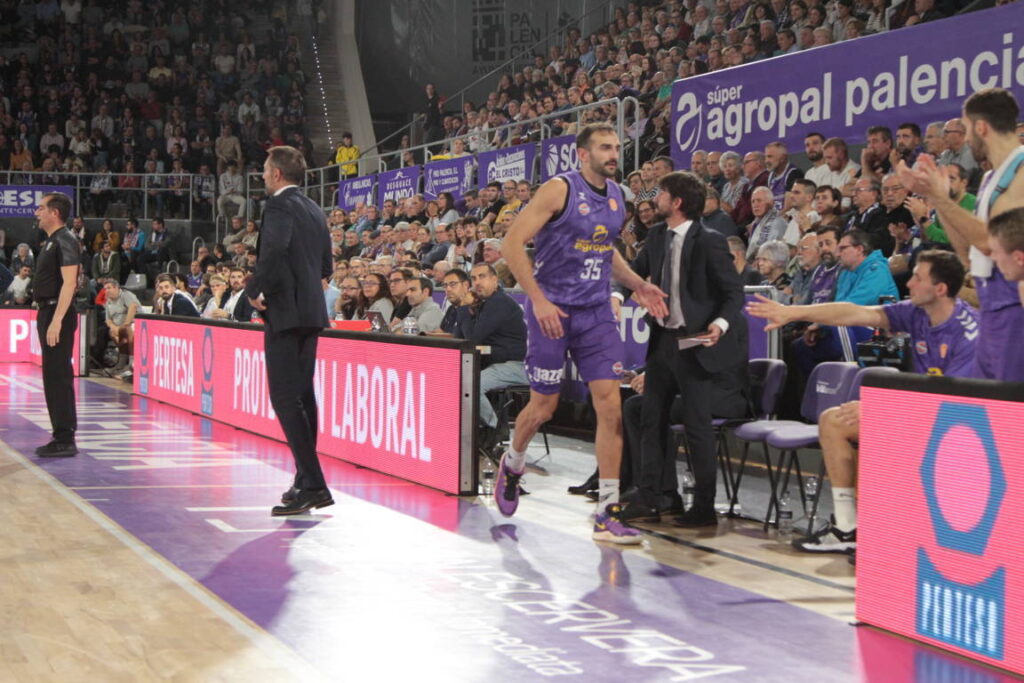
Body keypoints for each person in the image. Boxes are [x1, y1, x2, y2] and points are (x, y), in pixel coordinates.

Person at [500, 123, 668, 544]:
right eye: (604, 148)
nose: (613, 154)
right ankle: (513, 461)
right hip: (553, 311)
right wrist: (537, 300)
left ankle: (608, 510)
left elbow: (604, 248)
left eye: (616, 147)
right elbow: (512, 243)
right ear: (582, 154)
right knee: (543, 408)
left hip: (595, 313)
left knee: (610, 406)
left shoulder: (617, 196)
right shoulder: (559, 190)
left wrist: (637, 284)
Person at [747, 251, 979, 554]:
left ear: (940, 290)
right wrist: (795, 313)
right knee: (833, 421)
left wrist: (884, 408)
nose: (908, 283)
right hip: (923, 412)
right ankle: (847, 528)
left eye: (917, 278)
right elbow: (855, 313)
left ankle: (892, 535)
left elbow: (955, 402)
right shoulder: (918, 312)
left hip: (963, 427)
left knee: (881, 436)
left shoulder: (968, 332)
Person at [616, 172, 745, 527]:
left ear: (677, 203)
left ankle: (703, 506)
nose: (655, 199)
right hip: (663, 343)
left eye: (662, 194)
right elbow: (634, 274)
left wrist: (719, 325)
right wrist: (616, 295)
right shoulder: (657, 236)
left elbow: (734, 293)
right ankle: (650, 497)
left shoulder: (710, 241)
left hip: (698, 344)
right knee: (651, 418)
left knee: (698, 427)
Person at [898, 88, 1024, 381]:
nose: (966, 139)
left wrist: (938, 197)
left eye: (966, 130)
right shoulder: (992, 177)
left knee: (1010, 410)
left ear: (981, 127)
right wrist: (940, 198)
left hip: (1013, 305)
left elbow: (990, 242)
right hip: (990, 306)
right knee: (983, 405)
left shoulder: (1020, 170)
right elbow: (969, 253)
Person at [245, 146, 334, 516]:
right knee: (302, 396)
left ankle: (313, 483)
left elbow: (276, 248)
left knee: (284, 398)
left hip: (285, 311)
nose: (263, 176)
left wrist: (254, 288)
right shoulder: (314, 208)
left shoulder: (279, 205)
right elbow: (327, 263)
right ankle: (304, 478)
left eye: (266, 170)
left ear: (278, 174)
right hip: (312, 310)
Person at [32, 193, 83, 457]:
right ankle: (60, 434)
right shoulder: (52, 241)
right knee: (52, 376)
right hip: (48, 310)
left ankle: (65, 438)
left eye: (41, 208)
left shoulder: (66, 240)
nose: (36, 212)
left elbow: (70, 283)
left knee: (58, 376)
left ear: (54, 213)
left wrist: (57, 320)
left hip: (56, 312)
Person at [453, 263, 528, 440]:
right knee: (457, 379)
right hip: (496, 364)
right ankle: (474, 431)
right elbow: (460, 338)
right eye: (474, 278)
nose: (477, 282)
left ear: (495, 279)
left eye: (482, 276)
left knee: (469, 384)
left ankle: (493, 429)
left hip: (515, 366)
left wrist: (464, 308)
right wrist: (466, 310)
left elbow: (473, 340)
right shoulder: (486, 303)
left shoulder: (499, 303)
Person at [102, 279, 139, 378]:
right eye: (105, 289)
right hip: (119, 327)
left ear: (116, 288)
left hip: (134, 324)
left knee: (127, 330)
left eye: (109, 288)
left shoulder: (126, 295)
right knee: (111, 332)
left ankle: (131, 363)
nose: (107, 291)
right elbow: (108, 319)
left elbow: (133, 307)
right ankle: (121, 363)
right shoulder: (108, 300)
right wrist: (114, 328)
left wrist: (126, 324)